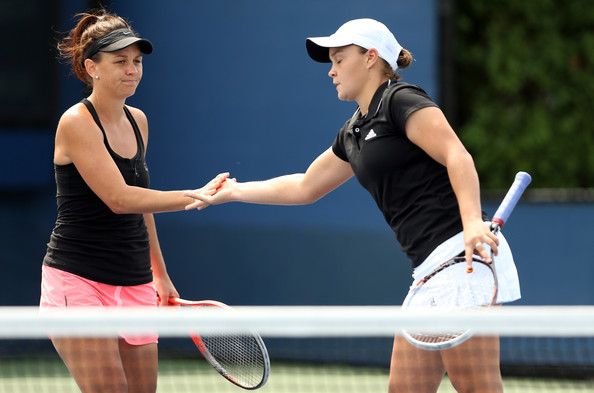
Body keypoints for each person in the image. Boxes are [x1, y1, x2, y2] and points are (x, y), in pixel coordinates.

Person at [186, 18, 520, 393]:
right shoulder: (353, 131)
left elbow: (457, 155)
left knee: (478, 387)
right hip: (428, 272)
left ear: (370, 58)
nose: (331, 71)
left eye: (339, 59)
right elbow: (305, 186)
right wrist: (233, 191)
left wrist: (473, 222)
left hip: (463, 259)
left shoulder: (400, 99)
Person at [40, 10, 228, 393]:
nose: (133, 70)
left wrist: (159, 274)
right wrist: (194, 196)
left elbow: (142, 206)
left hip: (136, 283)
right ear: (91, 67)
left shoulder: (138, 120)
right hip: (78, 281)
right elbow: (120, 199)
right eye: (120, 61)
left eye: (137, 61)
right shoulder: (76, 122)